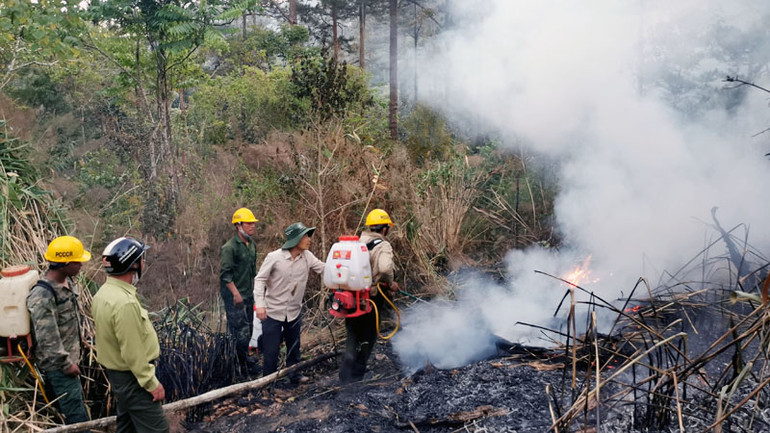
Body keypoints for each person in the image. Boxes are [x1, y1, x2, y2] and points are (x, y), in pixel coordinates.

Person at [92, 237, 169, 433]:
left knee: (127, 428)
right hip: (134, 380)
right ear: (133, 264)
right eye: (141, 259)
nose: (144, 263)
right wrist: (151, 383)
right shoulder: (124, 303)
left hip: (121, 378)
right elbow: (132, 351)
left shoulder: (104, 293)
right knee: (158, 430)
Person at [27, 236, 92, 427]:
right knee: (76, 418)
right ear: (64, 264)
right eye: (77, 261)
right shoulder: (42, 295)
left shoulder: (67, 282)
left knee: (73, 410)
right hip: (59, 368)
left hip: (70, 360)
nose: (81, 264)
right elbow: (47, 337)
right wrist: (66, 365)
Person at [254, 222, 324, 384]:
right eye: (306, 236)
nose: (309, 239)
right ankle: (268, 382)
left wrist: (344, 272)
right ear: (296, 239)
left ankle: (295, 375)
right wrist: (260, 304)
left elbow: (323, 268)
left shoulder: (307, 257)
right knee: (271, 351)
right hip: (272, 311)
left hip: (293, 311)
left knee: (294, 347)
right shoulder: (274, 257)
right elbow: (260, 280)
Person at [339, 209, 400, 384]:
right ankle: (357, 376)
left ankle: (345, 371)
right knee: (368, 335)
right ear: (384, 229)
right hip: (372, 297)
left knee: (352, 332)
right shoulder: (383, 245)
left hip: (351, 296)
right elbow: (385, 268)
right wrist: (389, 283)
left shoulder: (356, 242)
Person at [220, 207, 260, 376]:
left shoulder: (252, 245)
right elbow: (225, 275)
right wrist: (236, 294)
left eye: (253, 223)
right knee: (240, 333)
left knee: (249, 329)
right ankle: (239, 367)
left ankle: (244, 360)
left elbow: (253, 272)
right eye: (248, 223)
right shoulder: (229, 248)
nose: (252, 226)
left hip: (248, 294)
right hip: (234, 297)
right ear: (238, 225)